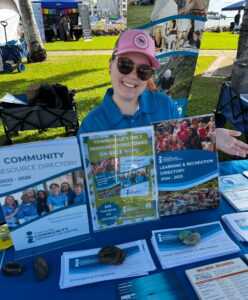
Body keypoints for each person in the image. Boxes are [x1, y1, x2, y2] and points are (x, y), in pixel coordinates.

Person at [78, 29, 248, 158]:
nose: (132, 75)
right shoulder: (91, 125)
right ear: (110, 65)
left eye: (143, 70)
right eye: (125, 64)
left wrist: (211, 136)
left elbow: (180, 144)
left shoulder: (165, 104)